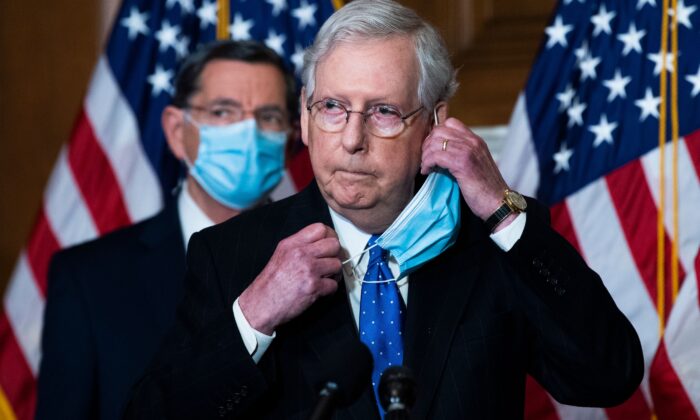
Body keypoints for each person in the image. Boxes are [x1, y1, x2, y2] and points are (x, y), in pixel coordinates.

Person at [126, 1, 644, 419]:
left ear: (435, 122)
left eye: (383, 112)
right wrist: (254, 319)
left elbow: (608, 376)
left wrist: (503, 214)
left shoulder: (493, 240)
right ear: (304, 118)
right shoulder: (232, 254)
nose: (352, 139)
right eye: (332, 108)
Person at [35, 40, 296, 420]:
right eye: (224, 111)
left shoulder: (327, 259)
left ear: (292, 134)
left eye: (269, 116)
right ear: (176, 130)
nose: (248, 133)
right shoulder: (87, 279)